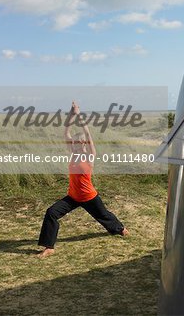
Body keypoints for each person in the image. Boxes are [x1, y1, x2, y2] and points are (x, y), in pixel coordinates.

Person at [37, 101, 128, 258]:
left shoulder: (90, 156)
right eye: (76, 143)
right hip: (73, 196)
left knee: (104, 215)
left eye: (81, 143)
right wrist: (71, 114)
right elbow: (66, 132)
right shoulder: (73, 154)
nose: (78, 145)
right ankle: (49, 247)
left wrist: (79, 114)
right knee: (51, 212)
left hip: (89, 196)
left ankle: (119, 229)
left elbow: (88, 134)